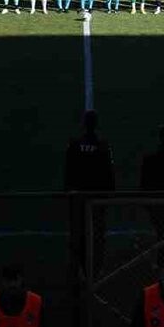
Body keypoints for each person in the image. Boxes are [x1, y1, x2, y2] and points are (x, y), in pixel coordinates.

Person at [64, 109, 116, 276]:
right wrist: (109, 194)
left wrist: (69, 191)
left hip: (78, 198)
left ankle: (78, 271)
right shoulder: (103, 145)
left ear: (83, 124)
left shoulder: (74, 144)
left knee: (78, 236)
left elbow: (68, 171)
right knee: (97, 236)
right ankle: (94, 272)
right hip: (97, 200)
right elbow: (109, 173)